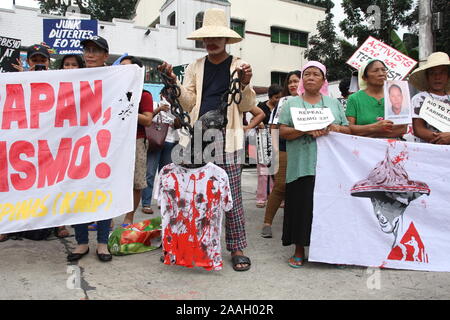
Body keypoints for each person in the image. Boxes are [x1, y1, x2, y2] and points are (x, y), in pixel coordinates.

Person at [158, 8, 256, 272]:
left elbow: (246, 104)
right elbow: (188, 100)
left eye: (216, 37)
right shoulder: (195, 66)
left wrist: (245, 83)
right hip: (198, 135)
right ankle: (191, 240)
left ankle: (237, 247)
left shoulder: (239, 66)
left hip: (228, 137)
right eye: (207, 37)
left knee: (231, 195)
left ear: (226, 40)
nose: (211, 42)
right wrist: (173, 84)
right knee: (193, 193)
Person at [278, 61, 351, 267]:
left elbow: (347, 129)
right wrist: (304, 129)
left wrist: (330, 127)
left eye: (316, 74)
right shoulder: (291, 104)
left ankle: (331, 252)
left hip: (330, 167)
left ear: (323, 80)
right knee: (301, 208)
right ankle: (299, 250)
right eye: (306, 74)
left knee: (329, 209)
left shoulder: (334, 104)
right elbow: (283, 131)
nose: (310, 77)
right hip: (301, 165)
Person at [67, 36, 114, 262]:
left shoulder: (116, 78)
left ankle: (103, 243)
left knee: (103, 193)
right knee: (79, 193)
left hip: (106, 144)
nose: (90, 54)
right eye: (87, 50)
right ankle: (82, 242)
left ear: (106, 56)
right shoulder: (73, 78)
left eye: (96, 50)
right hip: (78, 145)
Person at [261, 70, 301, 238]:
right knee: (280, 186)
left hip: (307, 149)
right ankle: (267, 223)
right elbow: (273, 128)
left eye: (296, 81)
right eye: (290, 81)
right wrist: (276, 151)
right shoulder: (283, 102)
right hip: (284, 148)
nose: (293, 84)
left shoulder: (316, 101)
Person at [118, 56, 154, 224]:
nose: (123, 70)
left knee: (136, 182)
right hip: (115, 140)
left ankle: (129, 218)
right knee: (112, 180)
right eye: (121, 67)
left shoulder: (144, 94)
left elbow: (148, 120)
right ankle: (107, 220)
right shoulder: (113, 91)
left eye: (128, 67)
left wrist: (127, 109)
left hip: (137, 141)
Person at [345, 59, 407, 138]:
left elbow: (402, 129)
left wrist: (371, 132)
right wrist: (375, 127)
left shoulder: (397, 94)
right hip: (365, 148)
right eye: (375, 71)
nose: (381, 74)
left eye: (383, 70)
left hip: (393, 147)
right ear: (364, 77)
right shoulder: (354, 99)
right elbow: (350, 128)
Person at [141, 93, 178, 215]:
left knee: (166, 174)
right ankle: (146, 203)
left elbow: (180, 125)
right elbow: (147, 118)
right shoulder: (154, 104)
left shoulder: (177, 108)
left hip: (170, 142)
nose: (169, 98)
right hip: (155, 142)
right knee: (150, 173)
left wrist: (177, 120)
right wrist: (159, 109)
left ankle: (162, 200)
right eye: (167, 95)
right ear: (162, 95)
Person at [410, 52, 450, 144]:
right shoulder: (419, 99)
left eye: (442, 73)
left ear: (448, 76)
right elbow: (418, 129)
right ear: (427, 77)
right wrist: (442, 138)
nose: (437, 77)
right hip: (428, 151)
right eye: (432, 73)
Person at [255, 84, 282, 208]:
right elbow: (254, 120)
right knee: (263, 170)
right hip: (263, 139)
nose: (278, 100)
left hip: (277, 140)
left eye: (280, 98)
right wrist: (259, 122)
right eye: (276, 97)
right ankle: (261, 198)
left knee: (276, 170)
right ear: (270, 97)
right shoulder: (260, 106)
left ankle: (275, 197)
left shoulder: (281, 107)